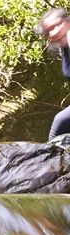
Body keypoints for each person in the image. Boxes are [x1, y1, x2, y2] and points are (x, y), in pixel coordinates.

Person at [39, 7, 70, 138]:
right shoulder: (64, 48)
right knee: (58, 126)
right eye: (49, 30)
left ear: (68, 21)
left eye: (57, 25)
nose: (54, 32)